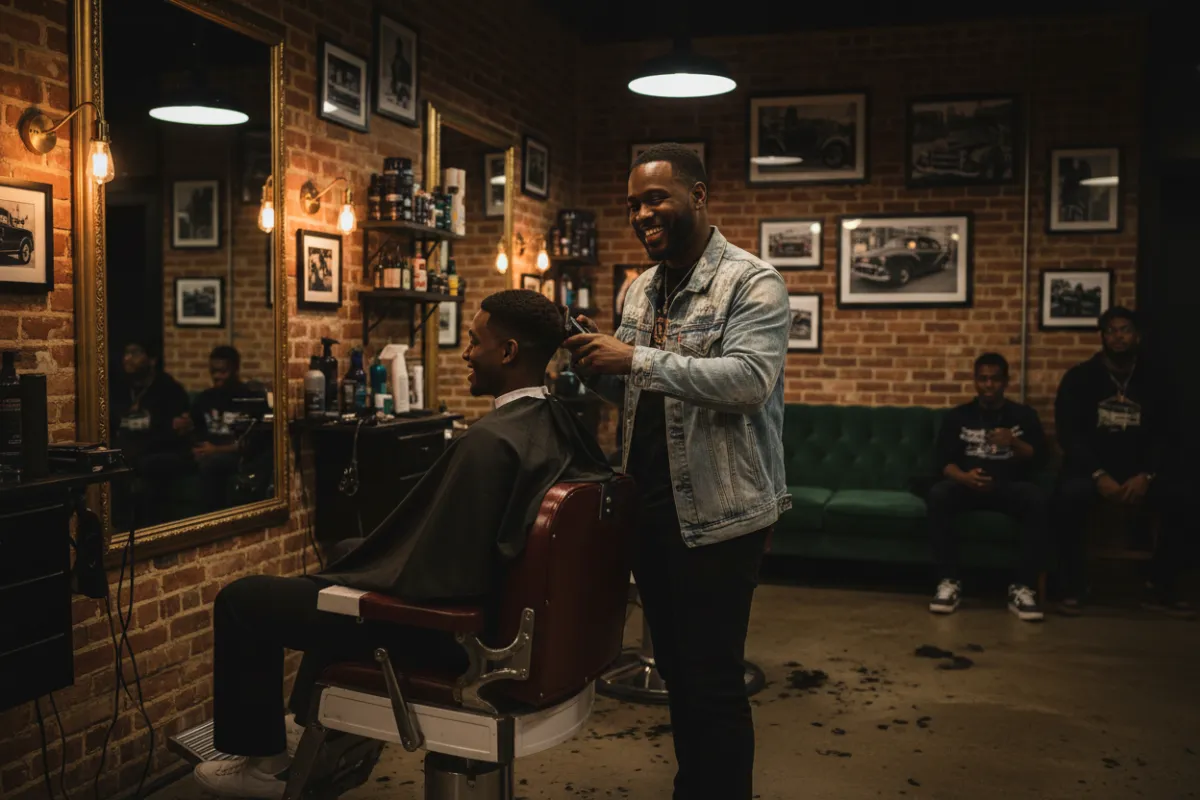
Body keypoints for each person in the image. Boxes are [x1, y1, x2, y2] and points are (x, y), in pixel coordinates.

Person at [194, 290, 613, 798]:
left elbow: (439, 578)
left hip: (456, 641)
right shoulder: (562, 423)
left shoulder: (489, 443)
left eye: (473, 341)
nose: (464, 353)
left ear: (507, 353)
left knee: (244, 600)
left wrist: (358, 583)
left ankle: (261, 768)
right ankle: (306, 721)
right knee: (348, 562)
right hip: (526, 631)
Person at [564, 142, 790, 800]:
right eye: (633, 203)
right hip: (651, 509)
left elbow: (749, 381)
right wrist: (597, 369)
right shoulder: (639, 287)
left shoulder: (751, 282)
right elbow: (645, 398)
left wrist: (632, 359)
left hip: (721, 514)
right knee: (680, 680)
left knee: (713, 683)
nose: (642, 213)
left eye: (656, 198)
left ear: (698, 195)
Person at [1053, 307, 1190, 617]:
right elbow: (1069, 433)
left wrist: (1148, 474)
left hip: (1142, 471)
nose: (1118, 336)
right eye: (1111, 330)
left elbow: (1170, 433)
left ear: (1137, 335)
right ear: (1102, 336)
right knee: (1066, 498)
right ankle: (1075, 585)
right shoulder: (1080, 377)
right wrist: (1098, 474)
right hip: (1092, 469)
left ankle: (1161, 586)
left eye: (1125, 329)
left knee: (1184, 499)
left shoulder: (1158, 377)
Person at [927, 353, 1048, 621]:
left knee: (1036, 498)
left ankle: (1022, 587)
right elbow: (942, 462)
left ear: (1006, 382)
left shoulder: (1023, 415)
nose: (988, 385)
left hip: (1007, 486)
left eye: (994, 379)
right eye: (983, 379)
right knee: (938, 494)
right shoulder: (959, 416)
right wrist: (963, 477)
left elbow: (1041, 457)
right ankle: (948, 582)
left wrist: (1014, 441)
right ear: (975, 382)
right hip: (966, 486)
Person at [109, 340, 192, 527]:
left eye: (135, 353)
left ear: (152, 360)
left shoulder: (169, 389)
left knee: (146, 465)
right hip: (126, 450)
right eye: (125, 354)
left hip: (159, 451)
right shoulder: (118, 389)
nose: (127, 359)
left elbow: (175, 433)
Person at [189, 346, 265, 512]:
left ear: (235, 370)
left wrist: (216, 449)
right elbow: (195, 429)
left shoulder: (247, 398)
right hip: (206, 452)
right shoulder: (205, 398)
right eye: (213, 371)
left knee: (212, 465)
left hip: (234, 456)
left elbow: (251, 443)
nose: (216, 376)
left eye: (222, 372)